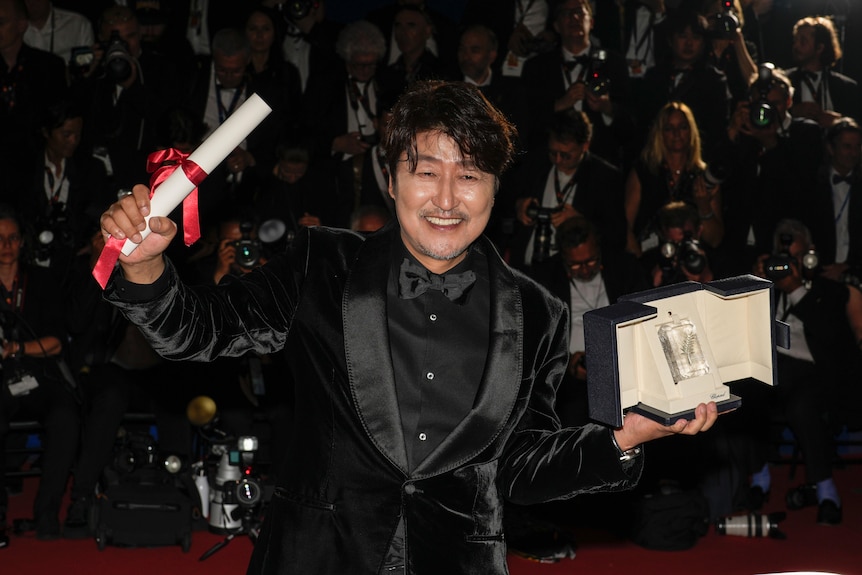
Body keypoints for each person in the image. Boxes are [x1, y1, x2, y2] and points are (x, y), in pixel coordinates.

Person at [98, 80, 719, 573]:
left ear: (495, 190)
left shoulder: (539, 313)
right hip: (319, 557)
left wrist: (623, 437)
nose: (447, 198)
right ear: (391, 177)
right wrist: (150, 264)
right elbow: (197, 330)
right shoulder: (322, 264)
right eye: (426, 171)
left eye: (470, 175)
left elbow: (522, 468)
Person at [744, 218, 862, 525]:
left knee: (803, 406)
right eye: (781, 260)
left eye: (793, 259)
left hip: (815, 373)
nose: (786, 267)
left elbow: (834, 340)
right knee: (744, 395)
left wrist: (796, 290)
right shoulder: (761, 287)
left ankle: (826, 490)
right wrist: (756, 285)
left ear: (810, 255)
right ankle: (759, 478)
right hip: (770, 368)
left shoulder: (831, 292)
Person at [0, 204, 79, 542]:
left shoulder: (41, 280)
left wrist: (16, 350)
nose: (6, 245)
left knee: (66, 416)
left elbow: (56, 343)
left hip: (36, 372)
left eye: (13, 238)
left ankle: (47, 512)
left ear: (22, 242)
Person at [530, 215, 648, 426]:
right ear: (562, 257)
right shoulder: (545, 277)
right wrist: (566, 364)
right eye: (575, 265)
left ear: (599, 250)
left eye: (591, 261)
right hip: (571, 377)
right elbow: (536, 338)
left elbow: (644, 318)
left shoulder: (624, 267)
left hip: (623, 368)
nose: (584, 270)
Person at [521, 0, 636, 168]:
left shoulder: (614, 63)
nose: (574, 17)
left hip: (600, 163)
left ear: (592, 22)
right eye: (566, 14)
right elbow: (525, 122)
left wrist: (606, 107)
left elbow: (631, 124)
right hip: (548, 163)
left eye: (579, 12)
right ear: (556, 26)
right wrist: (559, 104)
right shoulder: (536, 67)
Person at [511, 109, 626, 271]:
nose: (557, 160)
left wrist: (581, 222)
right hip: (527, 266)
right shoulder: (536, 163)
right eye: (553, 153)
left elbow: (617, 236)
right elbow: (503, 199)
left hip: (570, 273)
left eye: (565, 155)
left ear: (585, 145)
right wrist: (519, 206)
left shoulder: (605, 178)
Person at [624, 101, 724, 257]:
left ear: (691, 131)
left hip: (694, 261)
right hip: (650, 259)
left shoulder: (704, 176)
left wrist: (704, 206)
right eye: (669, 128)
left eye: (682, 127)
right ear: (660, 133)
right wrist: (638, 263)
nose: (677, 134)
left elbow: (715, 240)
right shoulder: (644, 171)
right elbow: (625, 225)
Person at [786, 16, 860, 128]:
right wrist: (792, 111)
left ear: (820, 48)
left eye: (803, 41)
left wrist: (838, 122)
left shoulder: (846, 87)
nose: (796, 46)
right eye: (795, 40)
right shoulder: (785, 82)